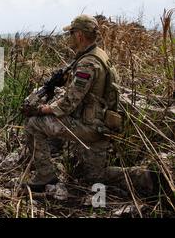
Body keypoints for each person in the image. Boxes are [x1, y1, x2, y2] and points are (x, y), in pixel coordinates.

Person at [22, 15, 154, 193]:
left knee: (34, 124)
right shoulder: (98, 54)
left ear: (79, 36)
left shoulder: (87, 63)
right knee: (94, 177)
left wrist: (40, 110)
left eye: (71, 33)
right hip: (101, 124)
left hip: (89, 126)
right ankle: (147, 177)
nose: (68, 37)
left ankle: (45, 174)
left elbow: (68, 103)